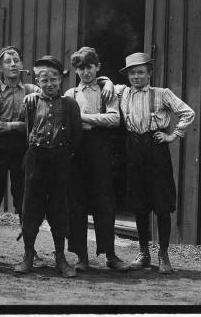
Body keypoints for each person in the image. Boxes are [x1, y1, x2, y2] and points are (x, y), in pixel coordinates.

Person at [116, 52, 195, 274]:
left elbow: (188, 113)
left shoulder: (162, 94)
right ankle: (143, 253)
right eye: (132, 73)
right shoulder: (121, 94)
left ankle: (163, 254)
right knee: (138, 204)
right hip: (133, 149)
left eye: (141, 72)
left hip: (156, 148)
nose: (136, 77)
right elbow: (102, 84)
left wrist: (172, 136)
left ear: (150, 73)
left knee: (162, 204)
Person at [0, 46, 47, 268]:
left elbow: (50, 93)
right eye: (8, 61)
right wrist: (14, 125)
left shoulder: (31, 89)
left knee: (24, 199)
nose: (13, 64)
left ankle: (29, 251)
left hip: (22, 150)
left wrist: (36, 95)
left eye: (16, 60)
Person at [14, 55, 82, 278]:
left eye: (54, 79)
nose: (49, 84)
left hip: (60, 161)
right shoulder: (31, 102)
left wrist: (63, 155)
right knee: (31, 208)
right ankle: (27, 256)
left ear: (61, 80)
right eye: (44, 80)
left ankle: (61, 258)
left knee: (58, 209)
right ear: (37, 81)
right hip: (36, 160)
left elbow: (76, 135)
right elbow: (26, 132)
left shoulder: (70, 104)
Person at [64, 47, 129, 272]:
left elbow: (113, 119)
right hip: (76, 151)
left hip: (99, 149)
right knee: (76, 203)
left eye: (89, 67)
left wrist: (81, 117)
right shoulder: (70, 94)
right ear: (75, 70)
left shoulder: (106, 90)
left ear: (97, 66)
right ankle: (81, 256)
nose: (85, 72)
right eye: (80, 68)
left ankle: (110, 254)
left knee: (104, 202)